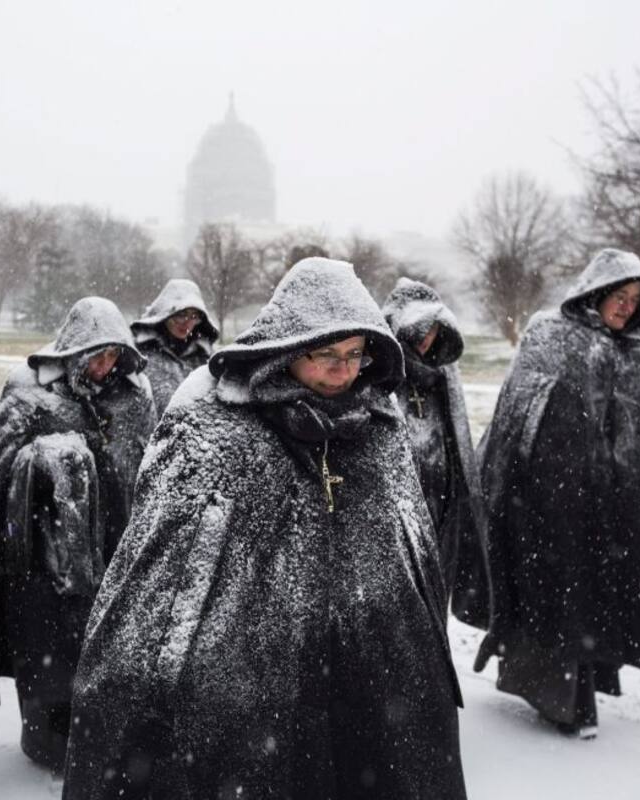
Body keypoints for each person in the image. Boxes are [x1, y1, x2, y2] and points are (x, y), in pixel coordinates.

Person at [64, 258, 467, 799]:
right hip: (248, 690)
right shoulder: (213, 422)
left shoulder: (379, 428)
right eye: (327, 354)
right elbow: (161, 587)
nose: (343, 371)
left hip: (366, 681)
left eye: (355, 354)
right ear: (288, 348)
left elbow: (411, 565)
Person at [475, 248, 640, 738]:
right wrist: (525, 477)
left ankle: (580, 690)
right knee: (552, 597)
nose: (626, 307)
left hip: (604, 504)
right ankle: (564, 704)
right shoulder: (549, 335)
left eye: (635, 300)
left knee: (591, 599)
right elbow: (517, 412)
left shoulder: (634, 355)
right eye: (619, 295)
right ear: (595, 292)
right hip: (545, 498)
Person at [0, 296, 157, 772]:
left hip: (116, 550)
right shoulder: (28, 391)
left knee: (106, 654)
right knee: (48, 650)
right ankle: (46, 740)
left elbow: (149, 465)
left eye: (113, 355)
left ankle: (97, 739)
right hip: (44, 556)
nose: (104, 366)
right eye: (96, 355)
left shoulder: (133, 396)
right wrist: (42, 462)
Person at [381, 278, 491, 626]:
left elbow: (456, 440)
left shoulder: (442, 374)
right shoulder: (380, 369)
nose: (426, 338)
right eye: (420, 328)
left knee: (433, 606)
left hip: (441, 510)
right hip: (397, 516)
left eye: (433, 329)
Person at [130, 279, 219, 415]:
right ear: (165, 314)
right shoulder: (139, 354)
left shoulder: (207, 359)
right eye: (181, 315)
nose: (187, 323)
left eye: (194, 316)